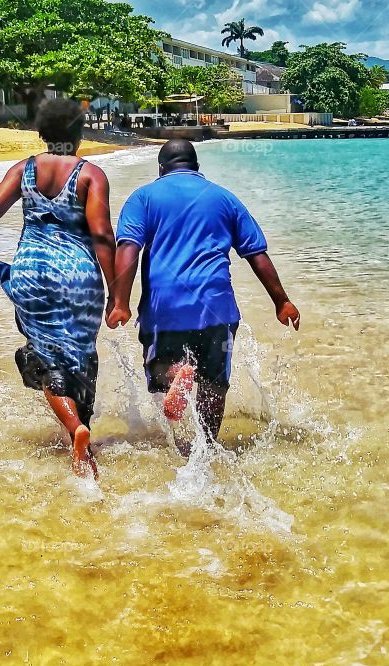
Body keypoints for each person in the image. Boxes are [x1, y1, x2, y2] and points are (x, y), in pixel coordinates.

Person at [107, 139, 299, 446]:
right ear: (197, 168)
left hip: (165, 308)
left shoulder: (142, 197)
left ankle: (175, 375)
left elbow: (128, 247)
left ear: (161, 168)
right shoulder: (225, 198)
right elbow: (256, 254)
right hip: (217, 308)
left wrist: (120, 302)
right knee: (214, 384)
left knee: (158, 373)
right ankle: (206, 449)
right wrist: (282, 301)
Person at [0, 98, 115, 476]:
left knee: (45, 355)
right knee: (81, 355)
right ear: (79, 134)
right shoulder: (90, 175)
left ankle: (74, 432)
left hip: (31, 274)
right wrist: (117, 294)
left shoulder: (24, 170)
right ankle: (83, 438)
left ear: (42, 134)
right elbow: (102, 236)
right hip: (79, 277)